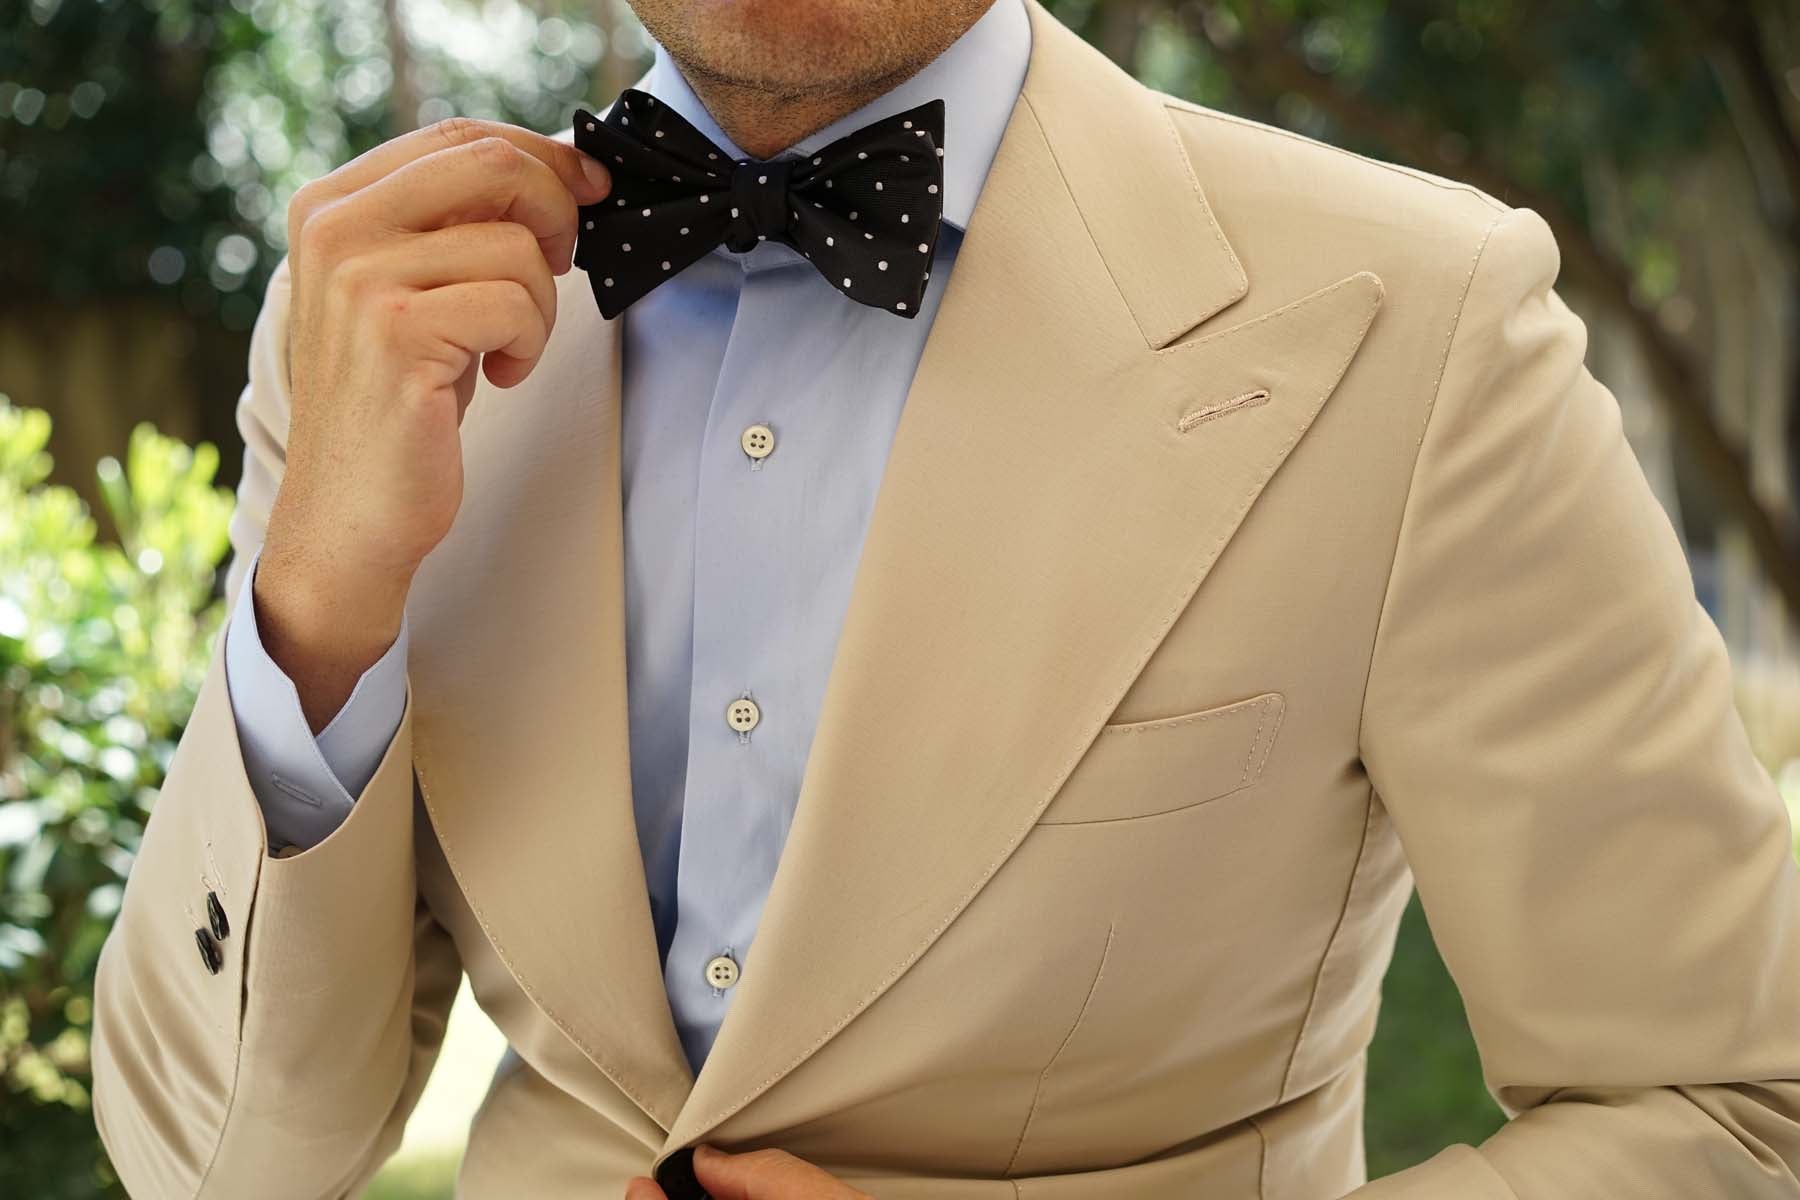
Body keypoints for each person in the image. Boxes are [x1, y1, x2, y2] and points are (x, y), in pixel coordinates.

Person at [88, 0, 1800, 1195]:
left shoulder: (1419, 321)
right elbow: (211, 1162)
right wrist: (319, 604)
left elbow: (1736, 1113)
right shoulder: (379, 322)